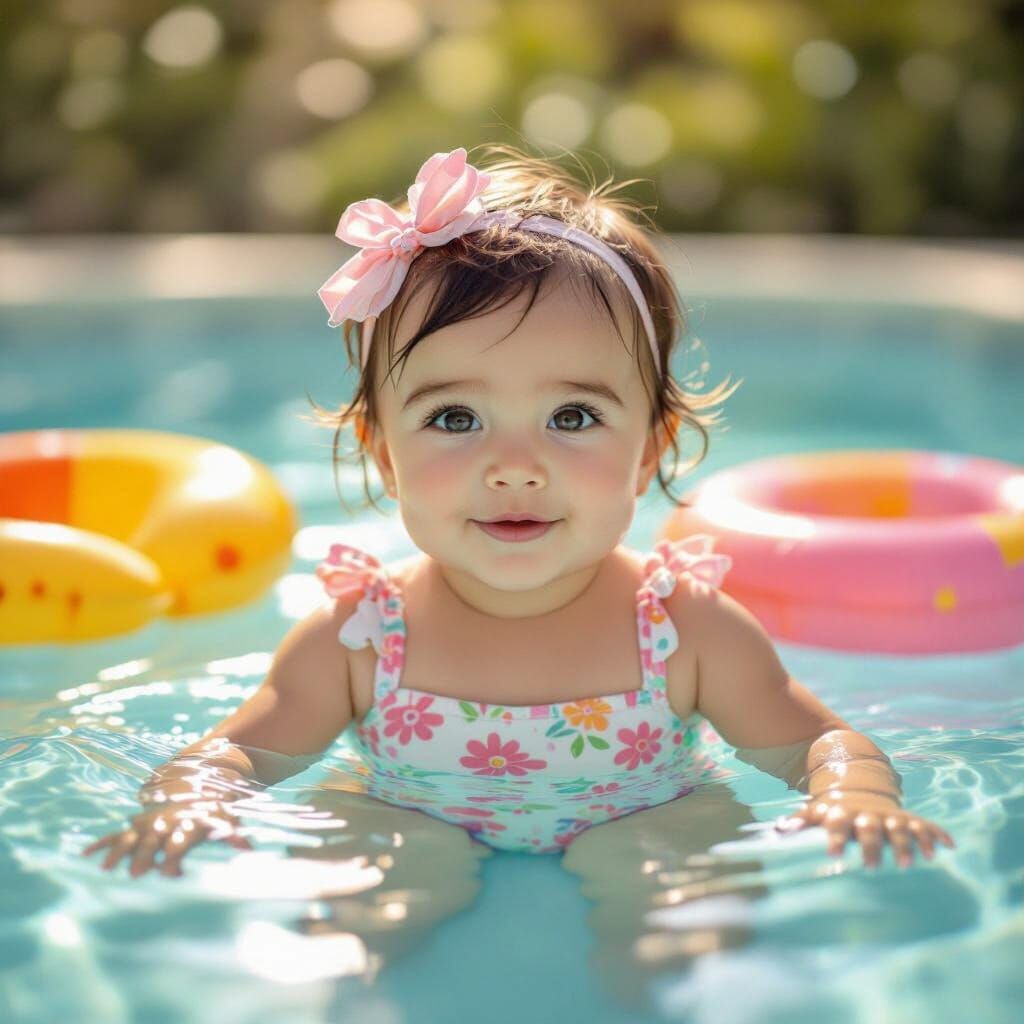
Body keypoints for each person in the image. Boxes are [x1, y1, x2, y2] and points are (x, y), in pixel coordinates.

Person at [82, 144, 955, 879]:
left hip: (644, 824)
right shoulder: (360, 635)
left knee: (674, 885)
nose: (514, 467)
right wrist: (192, 800)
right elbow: (236, 753)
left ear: (650, 448)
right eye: (454, 418)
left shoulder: (685, 630)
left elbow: (818, 746)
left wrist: (854, 794)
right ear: (383, 452)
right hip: (409, 822)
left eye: (573, 418)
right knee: (382, 881)